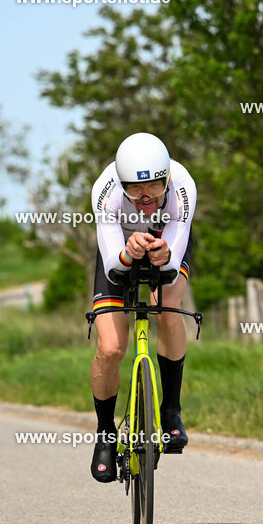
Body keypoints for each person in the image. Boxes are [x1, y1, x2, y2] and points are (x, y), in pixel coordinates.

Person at [88, 132, 197, 483]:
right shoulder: (104, 191)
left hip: (168, 245)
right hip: (119, 249)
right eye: (135, 190)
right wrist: (127, 252)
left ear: (167, 177)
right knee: (111, 347)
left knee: (166, 304)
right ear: (121, 184)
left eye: (154, 186)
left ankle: (171, 412)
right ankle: (106, 433)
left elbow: (173, 257)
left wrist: (164, 256)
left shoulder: (182, 187)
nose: (146, 196)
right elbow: (111, 263)